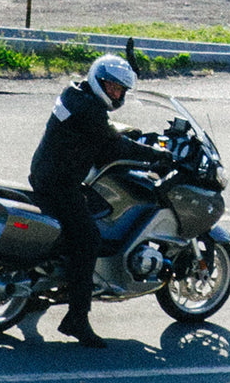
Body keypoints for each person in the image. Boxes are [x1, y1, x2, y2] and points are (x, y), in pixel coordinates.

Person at [29, 53, 170, 348]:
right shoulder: (91, 112)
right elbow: (112, 145)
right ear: (98, 80)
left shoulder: (75, 94)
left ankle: (41, 290)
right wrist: (157, 156)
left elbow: (102, 136)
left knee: (88, 215)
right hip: (60, 185)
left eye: (120, 90)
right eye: (111, 87)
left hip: (47, 175)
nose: (115, 93)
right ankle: (76, 319)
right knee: (89, 239)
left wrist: (129, 137)